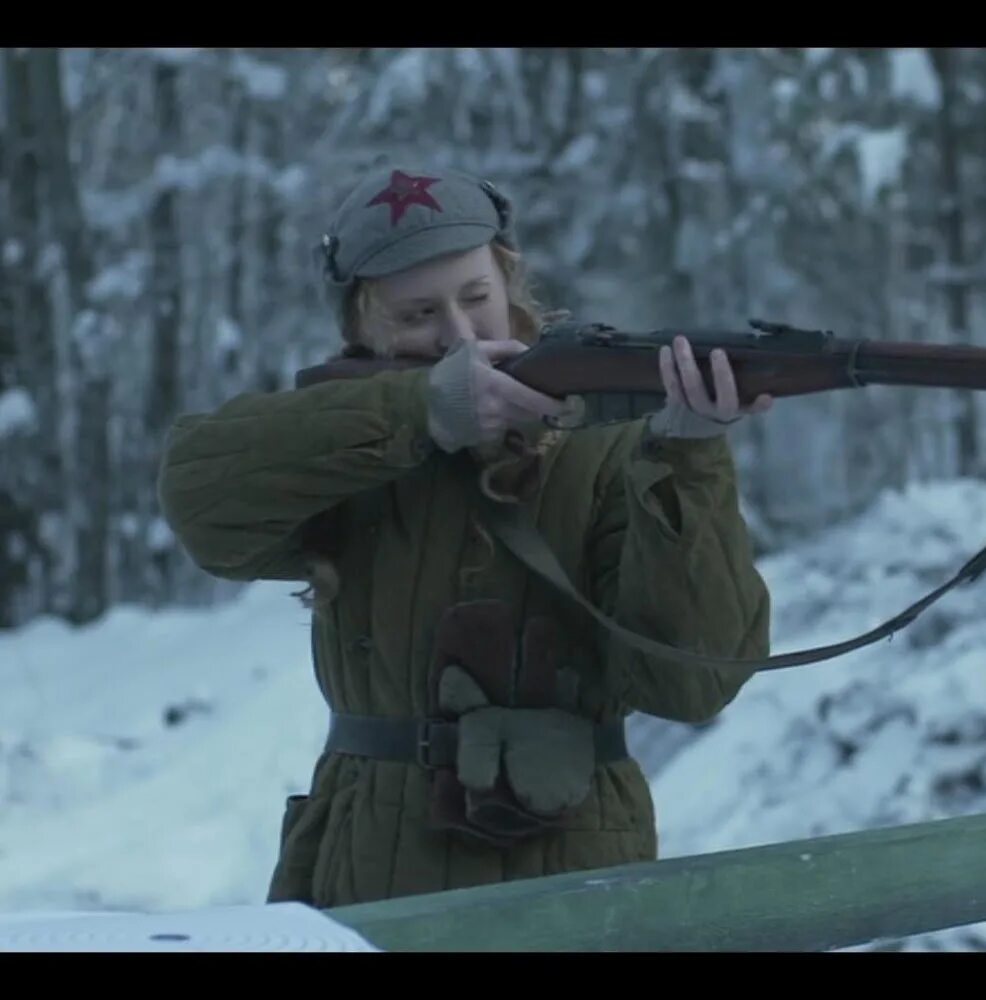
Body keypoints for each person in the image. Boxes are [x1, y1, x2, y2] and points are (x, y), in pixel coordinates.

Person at [156, 165, 774, 908]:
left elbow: (694, 681)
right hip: (375, 857)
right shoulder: (342, 439)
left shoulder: (609, 436)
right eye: (417, 314)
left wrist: (689, 454)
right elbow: (201, 498)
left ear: (507, 281)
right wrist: (423, 412)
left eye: (476, 298)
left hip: (579, 864)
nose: (457, 334)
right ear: (361, 322)